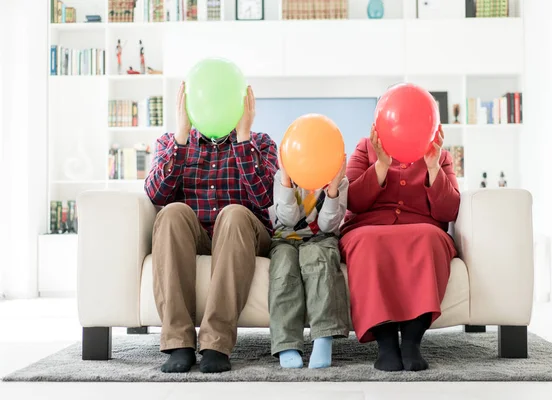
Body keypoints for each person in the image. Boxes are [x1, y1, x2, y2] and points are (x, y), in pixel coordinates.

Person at [144, 82, 278, 374]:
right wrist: (181, 137)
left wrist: (243, 139)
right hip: (197, 236)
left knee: (233, 215)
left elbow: (266, 197)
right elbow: (155, 195)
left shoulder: (261, 142)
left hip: (243, 233)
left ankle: (216, 344)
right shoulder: (170, 142)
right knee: (171, 212)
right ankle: (178, 343)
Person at [340, 124, 460, 372]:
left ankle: (412, 343)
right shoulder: (365, 147)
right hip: (367, 228)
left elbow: (448, 211)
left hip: (422, 227)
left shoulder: (441, 155)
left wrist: (433, 167)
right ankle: (386, 345)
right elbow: (352, 200)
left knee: (430, 238)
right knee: (368, 242)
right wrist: (381, 165)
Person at [268, 155, 350, 369]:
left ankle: (323, 337)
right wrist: (286, 179)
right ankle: (287, 342)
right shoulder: (282, 177)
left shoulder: (340, 181)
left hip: (321, 238)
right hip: (286, 238)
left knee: (319, 265)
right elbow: (288, 219)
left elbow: (327, 225)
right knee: (284, 271)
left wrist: (332, 189)